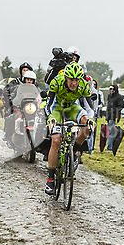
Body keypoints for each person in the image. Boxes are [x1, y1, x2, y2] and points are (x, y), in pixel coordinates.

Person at [44, 62, 95, 195]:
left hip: (72, 107)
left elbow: (89, 108)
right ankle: (50, 179)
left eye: (76, 80)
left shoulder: (83, 85)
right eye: (71, 80)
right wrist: (50, 118)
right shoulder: (57, 82)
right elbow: (48, 104)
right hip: (57, 108)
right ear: (66, 78)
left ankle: (74, 152)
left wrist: (90, 120)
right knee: (56, 140)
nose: (74, 83)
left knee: (86, 126)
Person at [3, 62, 34, 140]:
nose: (25, 72)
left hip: (30, 107)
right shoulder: (16, 82)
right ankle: (8, 134)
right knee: (9, 115)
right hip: (17, 105)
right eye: (24, 70)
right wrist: (9, 101)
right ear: (21, 71)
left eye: (27, 70)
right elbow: (6, 90)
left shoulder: (34, 84)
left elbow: (39, 94)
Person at [105, 84, 124, 151]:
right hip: (109, 117)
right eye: (111, 89)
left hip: (114, 117)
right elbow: (108, 106)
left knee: (111, 132)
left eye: (113, 89)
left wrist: (114, 112)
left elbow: (121, 106)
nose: (112, 90)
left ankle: (110, 147)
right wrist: (106, 115)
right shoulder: (109, 96)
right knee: (109, 132)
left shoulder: (119, 97)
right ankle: (110, 146)